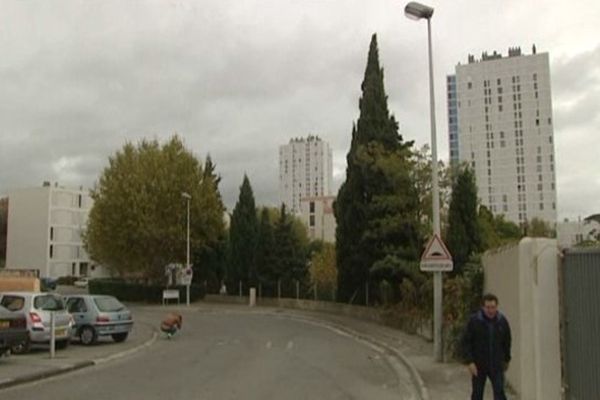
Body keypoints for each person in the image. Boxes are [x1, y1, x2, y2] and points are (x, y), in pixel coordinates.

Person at [461, 293, 512, 400]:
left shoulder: (502, 322)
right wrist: (470, 361)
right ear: (483, 307)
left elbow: (507, 341)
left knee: (499, 393)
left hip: (496, 364)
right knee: (477, 394)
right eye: (488, 307)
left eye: (493, 307)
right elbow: (466, 342)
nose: (490, 311)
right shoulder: (474, 321)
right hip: (479, 365)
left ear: (497, 306)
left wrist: (507, 359)